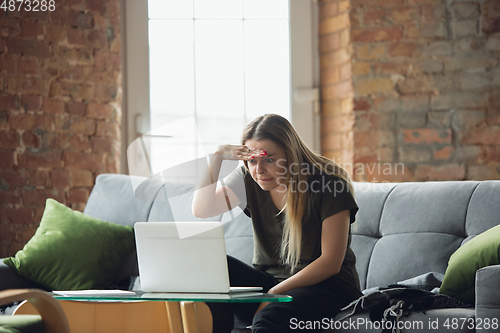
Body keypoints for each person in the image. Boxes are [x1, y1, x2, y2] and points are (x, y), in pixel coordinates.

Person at [192, 114, 362, 333]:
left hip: (328, 287)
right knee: (211, 264)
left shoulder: (330, 184)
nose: (259, 170)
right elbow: (201, 209)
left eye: (269, 159)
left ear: (290, 155)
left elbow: (330, 263)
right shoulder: (248, 179)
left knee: (269, 317)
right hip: (271, 282)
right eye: (252, 160)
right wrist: (217, 158)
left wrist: (274, 294)